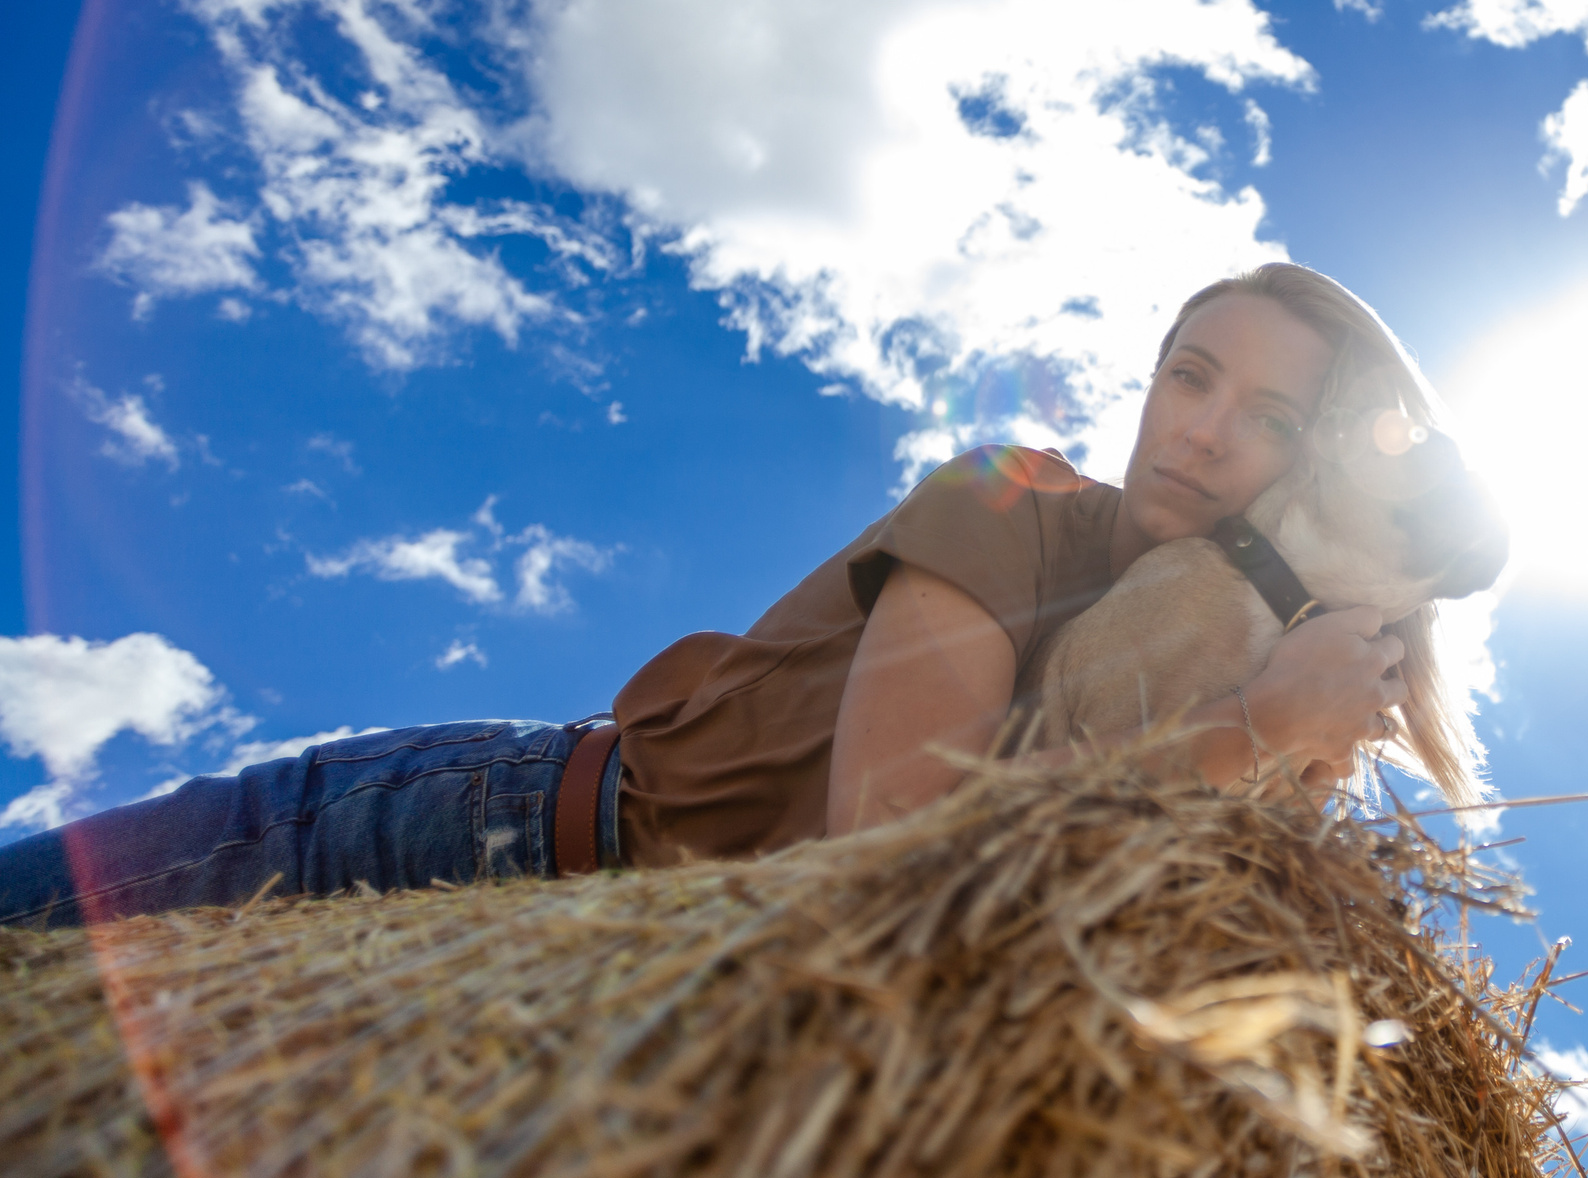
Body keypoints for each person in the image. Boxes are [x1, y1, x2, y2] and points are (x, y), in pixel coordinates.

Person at [0, 264, 1463, 928]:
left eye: (1269, 418)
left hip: (596, 955)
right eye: (1188, 377)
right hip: (496, 828)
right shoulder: (1011, 489)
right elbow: (884, 852)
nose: (1202, 431)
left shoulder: (1207, 640)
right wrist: (1254, 730)